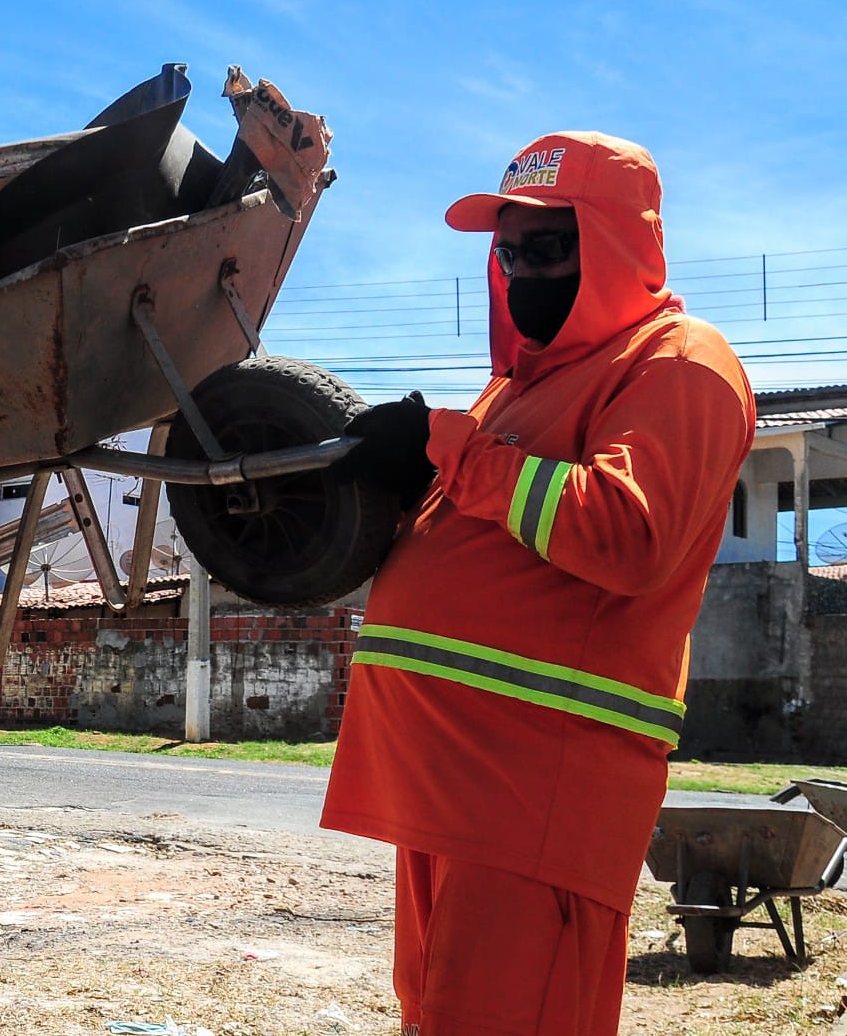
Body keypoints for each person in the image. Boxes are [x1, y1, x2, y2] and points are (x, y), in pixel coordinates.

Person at [320, 133, 755, 1036]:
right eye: (510, 251)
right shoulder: (516, 388)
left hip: (535, 797)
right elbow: (488, 516)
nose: (524, 271)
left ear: (619, 243)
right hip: (451, 788)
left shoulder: (679, 361)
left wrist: (453, 453)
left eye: (552, 246)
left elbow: (629, 531)